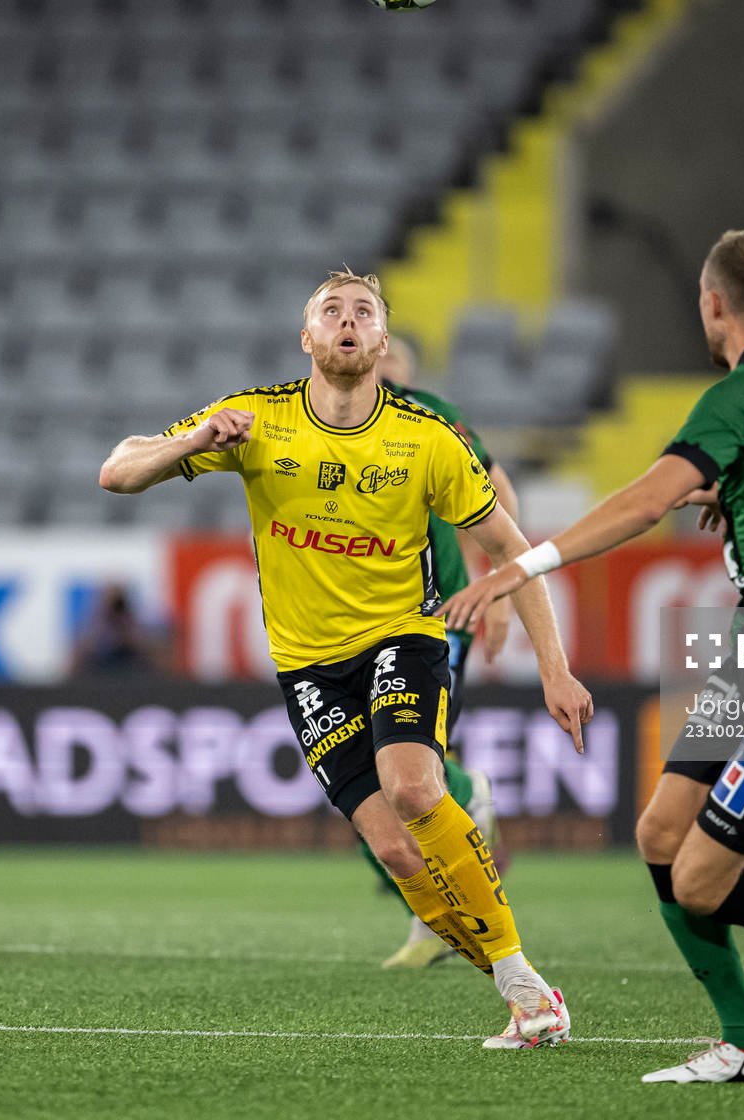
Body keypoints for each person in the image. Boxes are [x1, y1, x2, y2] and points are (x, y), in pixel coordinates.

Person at [444, 229, 744, 1082]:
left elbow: (645, 503)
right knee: (661, 834)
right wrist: (735, 492)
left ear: (712, 303)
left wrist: (521, 563)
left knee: (702, 879)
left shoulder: (740, 395)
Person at [99, 270, 592, 1049]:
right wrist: (193, 442)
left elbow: (512, 548)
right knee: (395, 850)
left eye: (364, 311)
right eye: (332, 310)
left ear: (383, 342)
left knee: (412, 789)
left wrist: (555, 669)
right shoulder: (257, 419)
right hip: (307, 667)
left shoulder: (426, 436)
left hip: (405, 634)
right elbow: (118, 470)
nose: (348, 321)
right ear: (309, 339)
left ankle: (525, 984)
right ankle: (524, 989)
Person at [370, 334, 519, 970]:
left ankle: (463, 790)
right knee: (372, 790)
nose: (387, 372)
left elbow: (495, 491)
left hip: (436, 612)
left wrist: (501, 594)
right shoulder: (321, 428)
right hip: (355, 621)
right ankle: (430, 916)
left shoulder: (425, 412)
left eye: (394, 360)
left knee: (409, 772)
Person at [67, 582, 170, 677]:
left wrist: (129, 631)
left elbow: (159, 663)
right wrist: (99, 629)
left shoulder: (135, 626)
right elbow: (75, 665)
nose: (115, 610)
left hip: (134, 677)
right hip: (99, 679)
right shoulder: (93, 627)